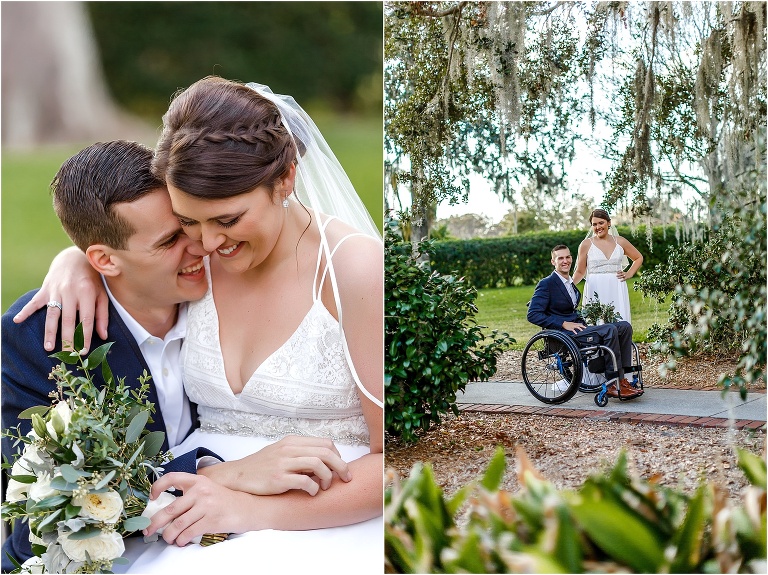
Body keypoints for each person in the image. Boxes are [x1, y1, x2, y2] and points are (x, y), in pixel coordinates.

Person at [15, 78, 384, 573]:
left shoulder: (353, 270)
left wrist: (254, 510)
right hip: (191, 504)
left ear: (286, 178)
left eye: (227, 220)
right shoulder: (197, 267)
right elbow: (131, 249)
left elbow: (399, 459)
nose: (207, 244)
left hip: (324, 507)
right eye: (188, 221)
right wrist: (76, 261)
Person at [527, 244, 643, 399]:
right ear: (553, 261)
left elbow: (571, 311)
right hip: (563, 334)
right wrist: (562, 324)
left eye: (568, 257)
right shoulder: (547, 284)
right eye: (560, 258)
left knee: (624, 327)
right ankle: (612, 383)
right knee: (609, 330)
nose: (565, 261)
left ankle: (624, 378)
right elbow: (533, 314)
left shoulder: (570, 285)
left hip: (578, 328)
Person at [572, 208, 643, 324]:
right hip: (595, 288)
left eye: (601, 223)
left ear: (609, 223)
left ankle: (621, 341)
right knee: (596, 322)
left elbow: (638, 257)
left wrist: (629, 273)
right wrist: (568, 286)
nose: (598, 227)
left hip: (617, 287)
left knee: (619, 321)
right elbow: (580, 272)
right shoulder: (585, 244)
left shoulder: (620, 242)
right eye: (594, 224)